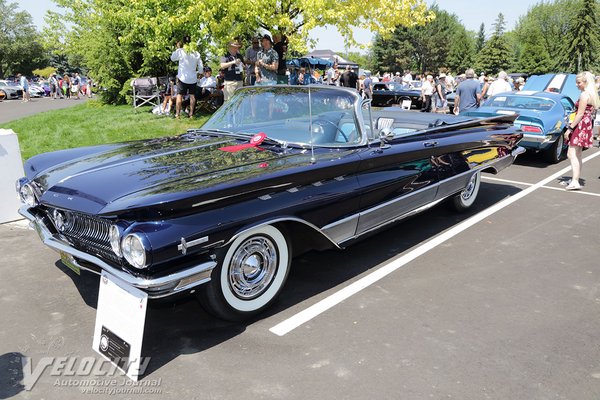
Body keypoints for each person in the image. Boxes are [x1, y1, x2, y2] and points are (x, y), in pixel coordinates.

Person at [563, 71, 600, 190]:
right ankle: (575, 179)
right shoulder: (591, 94)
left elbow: (579, 115)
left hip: (580, 125)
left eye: (578, 82)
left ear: (585, 82)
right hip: (585, 124)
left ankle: (575, 181)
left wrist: (569, 128)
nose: (576, 85)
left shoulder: (584, 95)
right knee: (577, 154)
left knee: (571, 153)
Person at [170, 35, 203, 119]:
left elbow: (172, 58)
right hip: (192, 78)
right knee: (192, 96)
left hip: (183, 78)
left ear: (183, 42)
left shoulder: (180, 51)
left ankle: (177, 114)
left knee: (179, 95)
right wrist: (200, 73)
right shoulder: (196, 53)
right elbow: (200, 65)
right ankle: (191, 114)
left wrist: (177, 48)